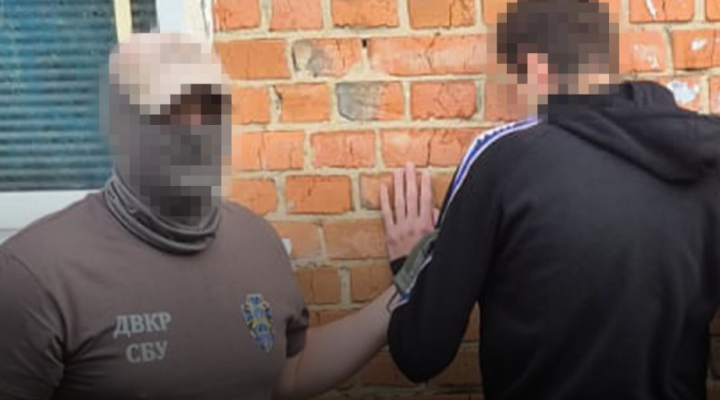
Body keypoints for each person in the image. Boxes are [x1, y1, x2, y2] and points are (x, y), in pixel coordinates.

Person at [0, 32, 433, 400]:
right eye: (168, 113)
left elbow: (288, 372)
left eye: (210, 110)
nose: (195, 133)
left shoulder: (256, 240)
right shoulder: (34, 275)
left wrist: (405, 288)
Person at [383, 0, 720, 399]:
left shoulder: (502, 162)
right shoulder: (705, 156)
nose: (512, 101)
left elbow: (420, 352)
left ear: (537, 67)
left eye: (511, 82)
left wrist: (410, 263)